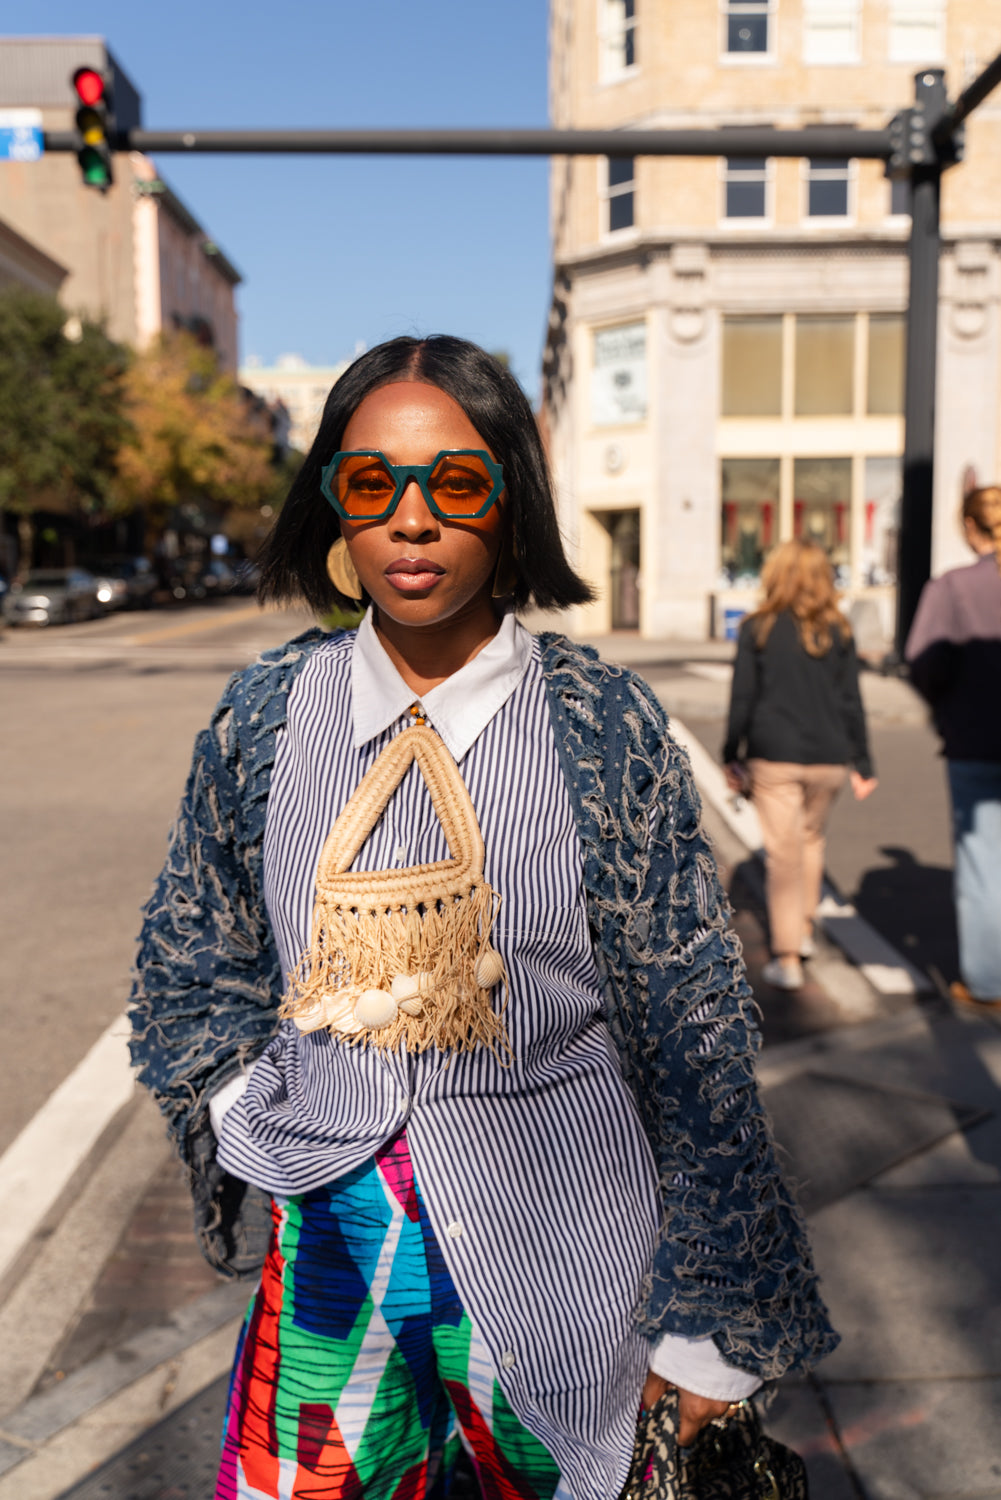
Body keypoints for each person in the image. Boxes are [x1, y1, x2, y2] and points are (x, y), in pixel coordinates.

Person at [130, 336, 836, 1500]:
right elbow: (191, 954)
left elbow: (688, 1024)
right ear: (336, 510)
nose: (411, 519)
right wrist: (238, 1100)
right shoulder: (263, 712)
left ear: (509, 502)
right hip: (332, 1261)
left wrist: (710, 1323)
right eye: (372, 483)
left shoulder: (600, 725)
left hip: (569, 1267)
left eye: (453, 483)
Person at [723, 540, 877, 993]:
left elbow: (743, 698)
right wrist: (864, 761)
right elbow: (852, 700)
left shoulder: (759, 627)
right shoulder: (839, 628)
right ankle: (804, 930)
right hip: (829, 758)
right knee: (810, 842)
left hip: (775, 755)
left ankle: (788, 956)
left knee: (783, 855)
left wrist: (732, 752)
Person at [905, 486, 1001, 1011]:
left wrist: (946, 705)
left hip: (976, 740)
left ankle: (988, 983)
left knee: (984, 862)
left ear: (969, 528)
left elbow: (923, 661)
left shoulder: (954, 587)